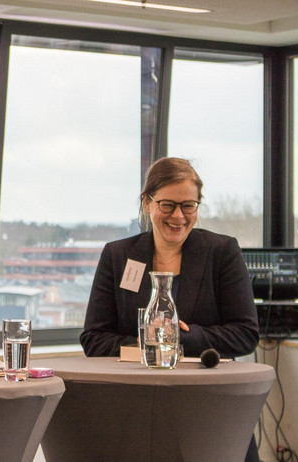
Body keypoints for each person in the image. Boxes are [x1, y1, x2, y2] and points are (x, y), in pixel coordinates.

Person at [80, 157, 261, 461]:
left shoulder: (222, 252)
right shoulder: (118, 255)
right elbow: (93, 338)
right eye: (168, 205)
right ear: (147, 203)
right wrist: (148, 345)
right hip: (134, 409)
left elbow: (246, 334)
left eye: (188, 206)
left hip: (208, 407)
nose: (179, 216)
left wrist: (182, 340)